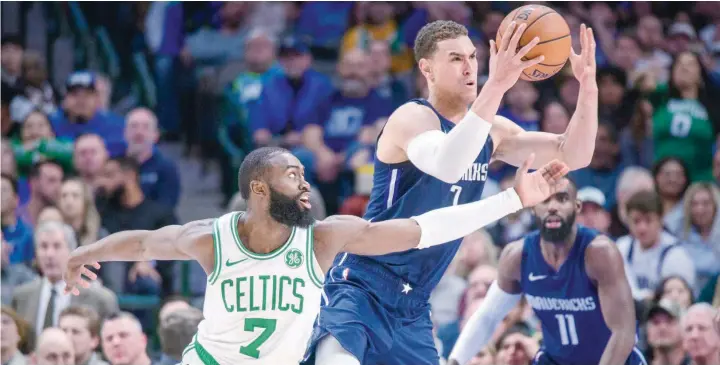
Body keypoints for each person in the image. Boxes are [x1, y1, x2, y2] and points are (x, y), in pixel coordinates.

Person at [64, 146, 569, 365]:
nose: (306, 185)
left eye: (305, 175)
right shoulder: (211, 238)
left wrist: (512, 200)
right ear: (259, 190)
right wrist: (84, 251)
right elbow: (143, 241)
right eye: (293, 176)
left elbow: (421, 230)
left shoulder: (323, 237)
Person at [303, 20, 599, 365]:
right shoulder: (412, 118)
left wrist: (588, 91)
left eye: (473, 57)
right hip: (362, 284)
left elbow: (574, 154)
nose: (470, 67)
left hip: (413, 302)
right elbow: (448, 163)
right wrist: (499, 84)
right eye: (456, 58)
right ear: (427, 69)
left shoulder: (493, 131)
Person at [448, 177, 645, 365]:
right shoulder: (517, 257)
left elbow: (624, 332)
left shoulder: (599, 253)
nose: (553, 207)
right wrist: (454, 361)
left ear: (577, 207)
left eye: (562, 199)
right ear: (534, 207)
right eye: (545, 199)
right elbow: (487, 317)